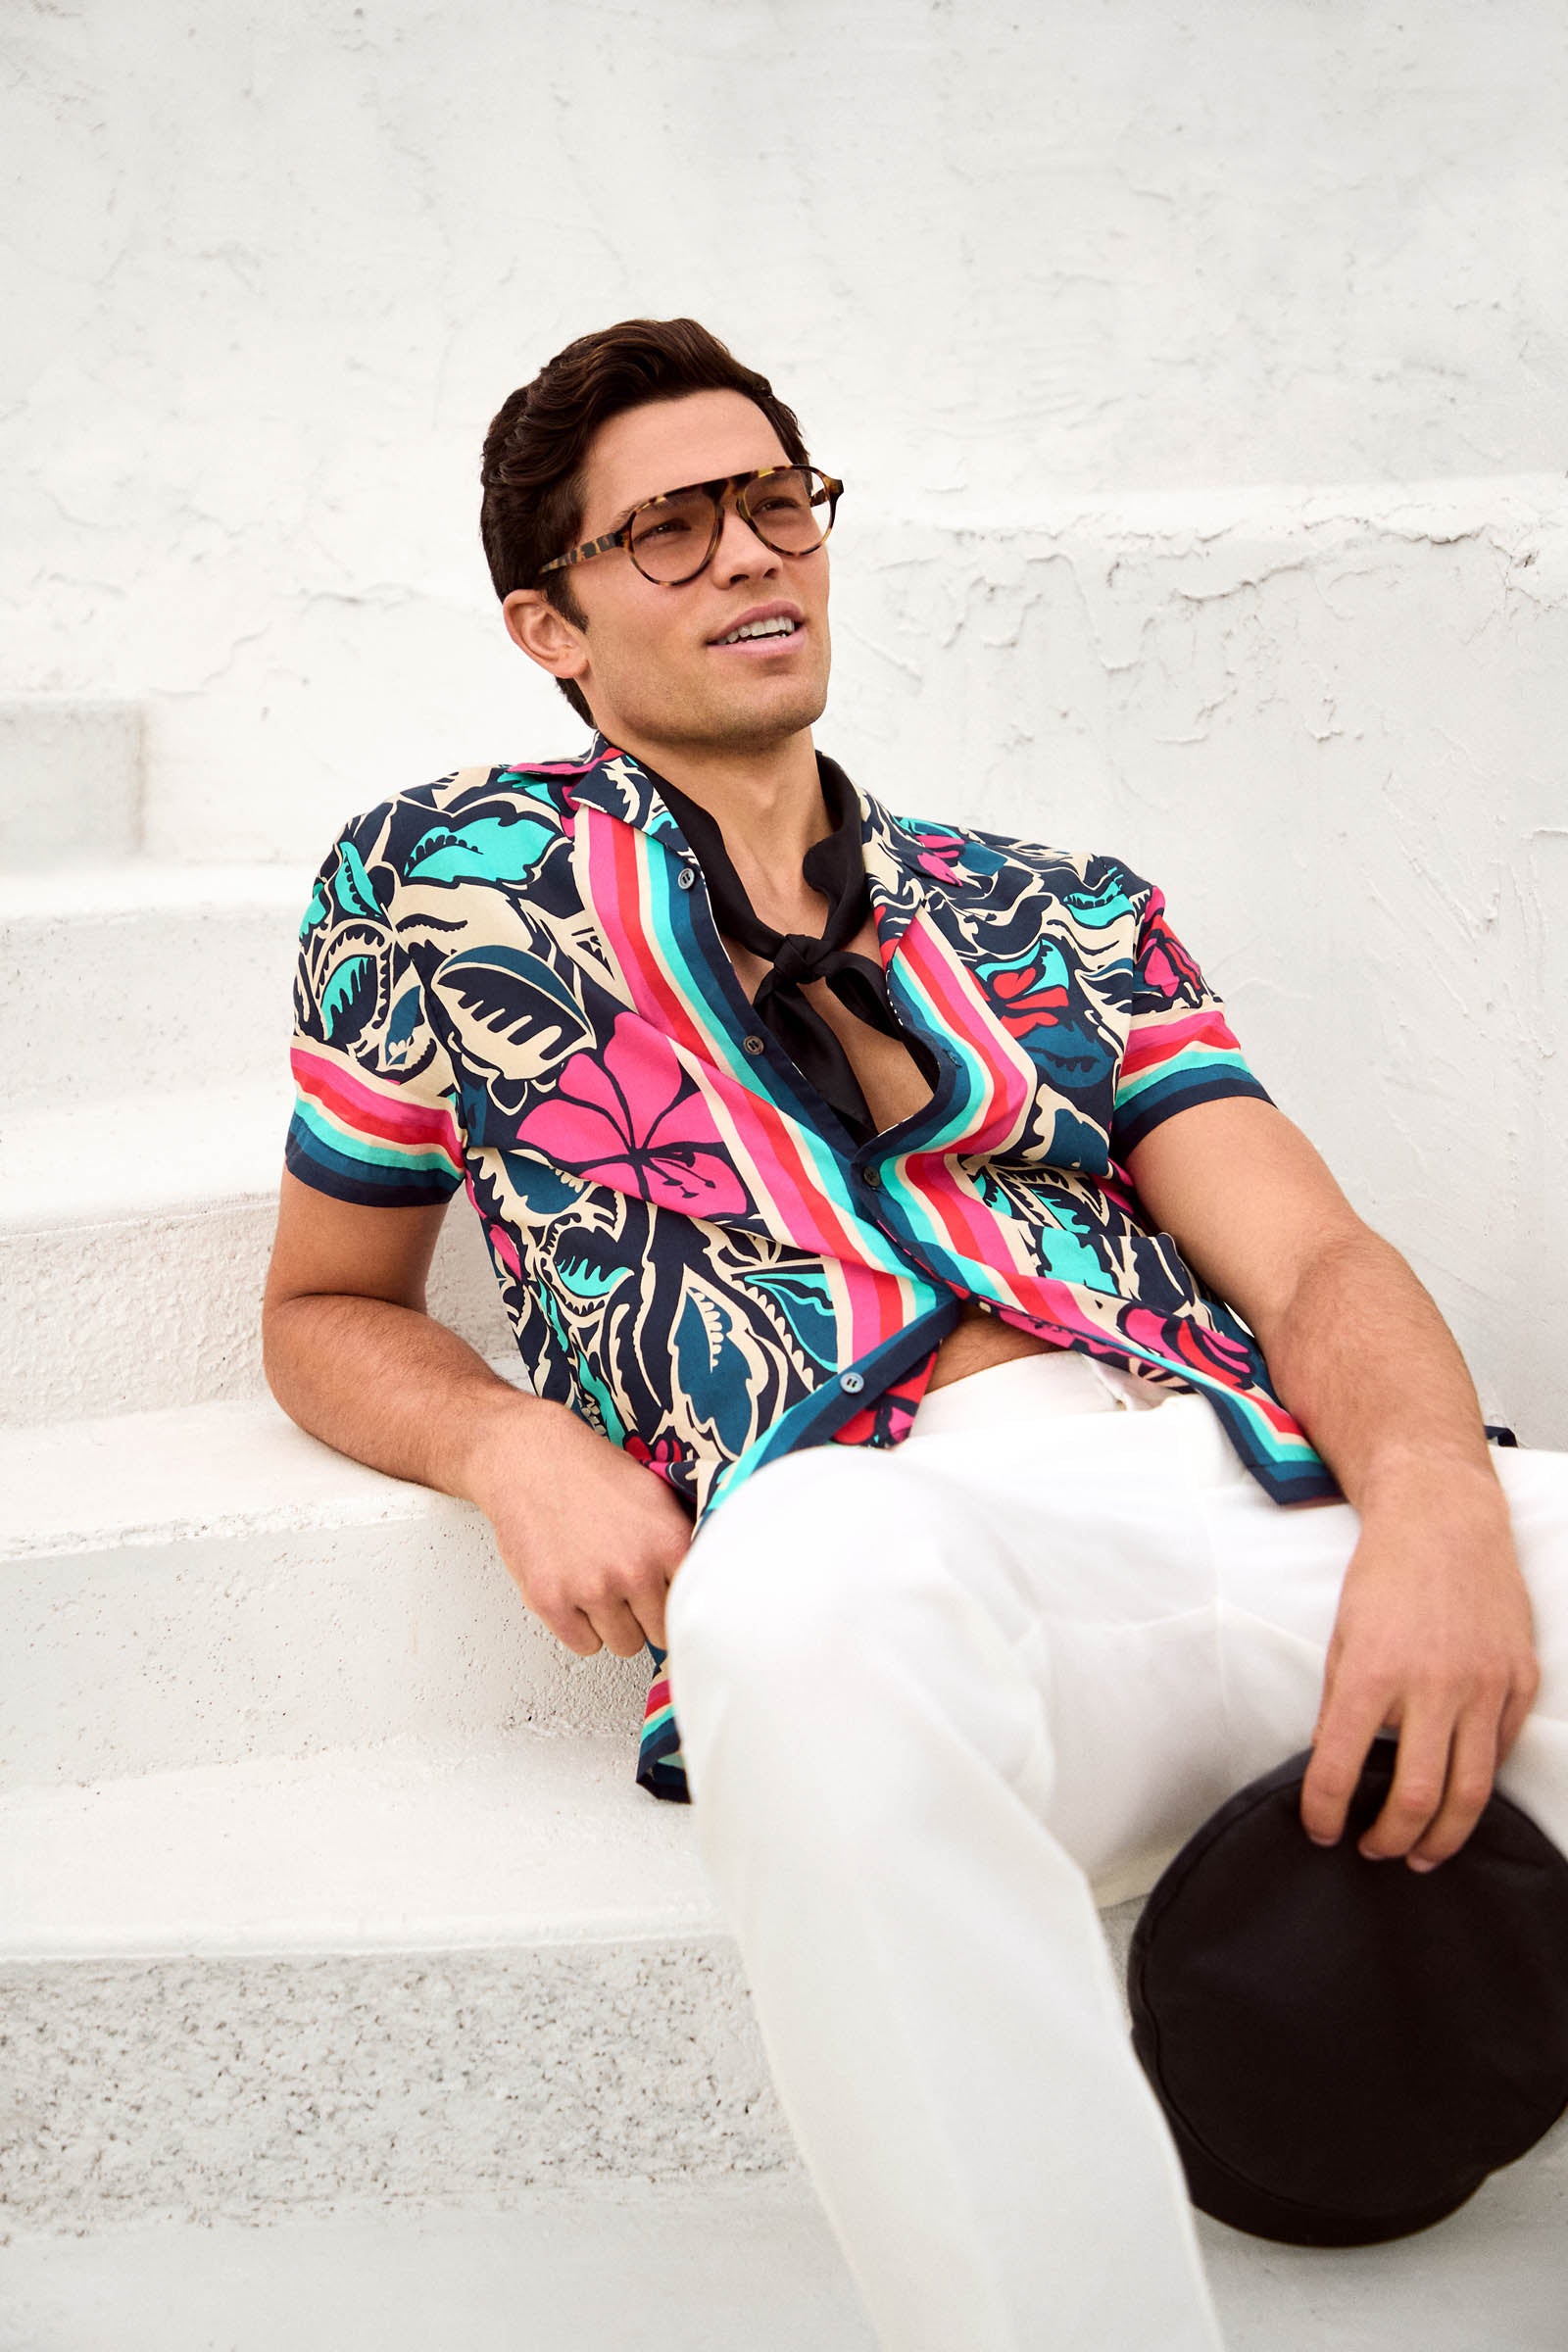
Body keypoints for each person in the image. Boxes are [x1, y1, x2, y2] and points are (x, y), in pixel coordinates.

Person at [261, 316, 1568, 2350]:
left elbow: (1307, 1261)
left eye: (774, 503)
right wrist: (508, 1445)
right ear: (550, 623)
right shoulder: (434, 881)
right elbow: (326, 1310)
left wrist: (1430, 1495)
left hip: (1250, 1474)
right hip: (897, 1530)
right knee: (785, 1611)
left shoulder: (1058, 906)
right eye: (667, 534)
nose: (749, 557)